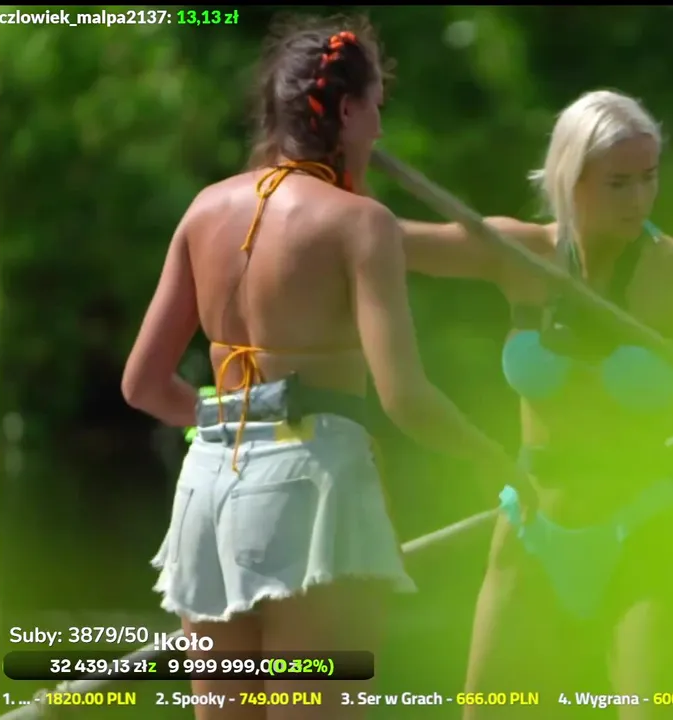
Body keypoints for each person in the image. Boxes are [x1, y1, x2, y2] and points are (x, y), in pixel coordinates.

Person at [121, 15, 523, 720]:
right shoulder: (359, 223)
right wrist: (500, 461)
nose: (379, 131)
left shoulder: (204, 209)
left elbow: (144, 385)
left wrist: (227, 419)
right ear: (345, 112)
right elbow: (405, 396)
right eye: (375, 110)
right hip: (313, 490)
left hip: (208, 485)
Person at [397, 89, 673, 716]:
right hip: (530, 525)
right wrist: (310, 179)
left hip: (640, 527)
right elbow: (382, 240)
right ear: (571, 179)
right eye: (618, 184)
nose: (639, 199)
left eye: (648, 178)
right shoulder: (521, 253)